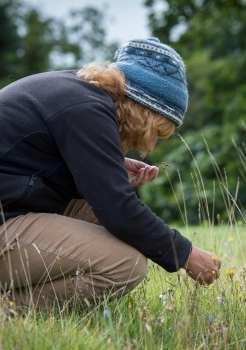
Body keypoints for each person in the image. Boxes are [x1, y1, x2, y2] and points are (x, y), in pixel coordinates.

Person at [0, 37, 221, 309]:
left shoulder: (78, 94)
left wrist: (109, 169)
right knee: (126, 265)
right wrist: (185, 255)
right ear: (142, 108)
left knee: (96, 211)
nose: (150, 147)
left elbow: (24, 167)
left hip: (9, 211)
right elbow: (118, 210)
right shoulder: (85, 109)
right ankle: (7, 309)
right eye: (155, 131)